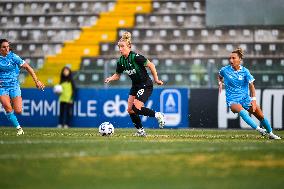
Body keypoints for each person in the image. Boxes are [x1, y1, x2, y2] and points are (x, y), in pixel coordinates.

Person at [104, 31, 165, 136]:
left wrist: (156, 79)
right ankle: (141, 131)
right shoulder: (121, 61)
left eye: (122, 46)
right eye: (119, 47)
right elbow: (117, 75)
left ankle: (158, 115)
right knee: (130, 110)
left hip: (145, 85)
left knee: (136, 108)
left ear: (129, 47)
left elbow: (151, 65)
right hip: (135, 86)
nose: (120, 49)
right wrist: (111, 78)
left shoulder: (136, 57)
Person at [218, 47, 281, 139]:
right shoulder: (225, 70)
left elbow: (251, 86)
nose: (231, 60)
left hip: (245, 99)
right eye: (230, 58)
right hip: (232, 100)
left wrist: (254, 100)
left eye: (233, 58)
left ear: (239, 59)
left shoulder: (245, 72)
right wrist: (220, 83)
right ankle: (259, 130)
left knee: (260, 115)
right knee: (243, 112)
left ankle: (271, 134)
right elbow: (219, 76)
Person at [0, 39, 45, 135]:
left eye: (8, 46)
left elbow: (28, 67)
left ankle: (11, 101)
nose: (7, 48)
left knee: (18, 110)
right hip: (2, 87)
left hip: (14, 85)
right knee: (8, 108)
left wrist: (36, 81)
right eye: (4, 47)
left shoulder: (14, 57)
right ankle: (19, 129)